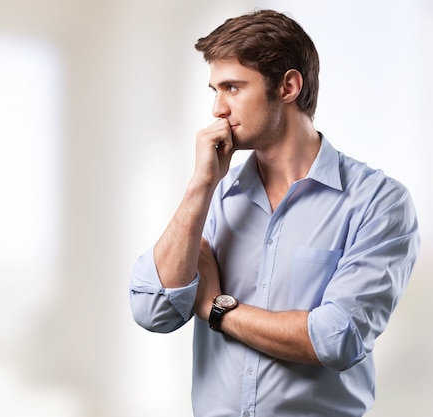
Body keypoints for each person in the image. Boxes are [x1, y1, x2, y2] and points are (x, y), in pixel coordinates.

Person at [129, 9, 420, 417]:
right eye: (214, 89)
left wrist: (217, 308)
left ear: (288, 86)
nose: (217, 109)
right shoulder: (216, 198)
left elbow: (336, 338)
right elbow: (152, 309)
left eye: (232, 88)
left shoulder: (377, 202)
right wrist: (200, 186)